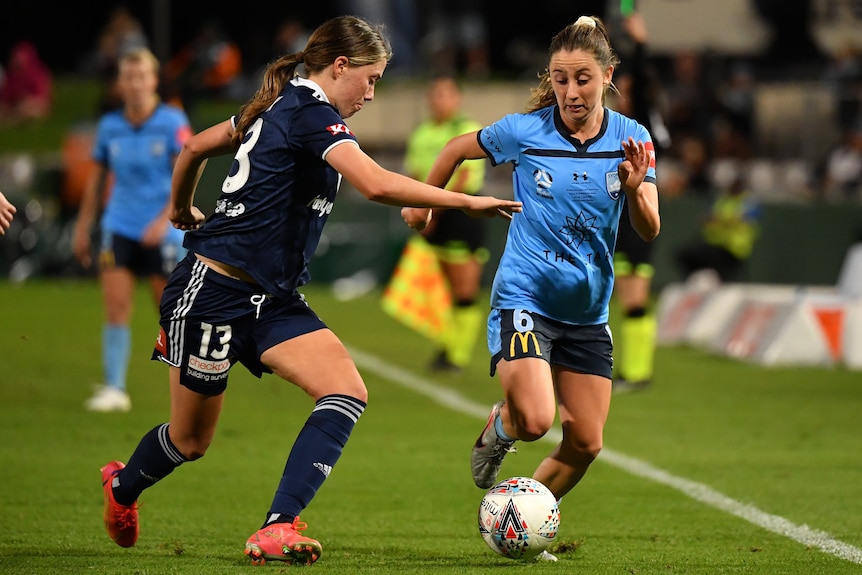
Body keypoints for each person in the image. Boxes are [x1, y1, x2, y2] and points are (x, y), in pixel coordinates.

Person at [97, 15, 520, 566]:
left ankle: (277, 525)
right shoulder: (308, 112)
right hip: (213, 292)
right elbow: (374, 182)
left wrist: (180, 207)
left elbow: (195, 148)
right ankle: (122, 488)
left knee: (346, 390)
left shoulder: (281, 107)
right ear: (340, 66)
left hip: (271, 299)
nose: (372, 92)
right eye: (369, 79)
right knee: (189, 441)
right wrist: (469, 201)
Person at [402, 13, 659, 538]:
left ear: (608, 75)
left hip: (587, 312)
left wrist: (634, 188)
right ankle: (502, 427)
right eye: (560, 79)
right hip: (526, 297)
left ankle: (517, 520)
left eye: (582, 79)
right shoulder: (525, 131)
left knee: (586, 443)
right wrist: (425, 206)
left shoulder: (632, 138)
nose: (570, 91)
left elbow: (650, 228)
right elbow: (454, 149)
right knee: (538, 420)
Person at [73, 48, 192, 412]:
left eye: (142, 76)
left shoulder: (173, 121)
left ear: (154, 81)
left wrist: (165, 219)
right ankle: (115, 388)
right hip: (119, 224)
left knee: (170, 312)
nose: (136, 83)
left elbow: (187, 171)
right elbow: (97, 180)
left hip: (163, 228)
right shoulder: (110, 126)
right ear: (120, 84)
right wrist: (82, 226)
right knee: (116, 308)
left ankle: (190, 387)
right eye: (129, 77)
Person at [403, 75, 488, 373]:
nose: (439, 100)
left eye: (445, 94)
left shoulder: (466, 130)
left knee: (464, 289)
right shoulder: (422, 132)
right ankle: (448, 345)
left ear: (457, 99)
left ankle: (457, 355)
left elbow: (465, 177)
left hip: (461, 213)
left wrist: (431, 209)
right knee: (440, 288)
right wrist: (419, 205)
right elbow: (414, 173)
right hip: (430, 212)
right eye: (435, 94)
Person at [607, 12, 670, 393]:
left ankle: (638, 372)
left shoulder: (642, 124)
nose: (621, 93)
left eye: (627, 87)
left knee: (634, 298)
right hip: (621, 215)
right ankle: (631, 370)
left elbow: (643, 88)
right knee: (626, 295)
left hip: (641, 212)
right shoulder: (621, 125)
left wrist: (641, 44)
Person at [676, 174, 759, 284]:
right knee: (685, 254)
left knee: (714, 259)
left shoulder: (749, 201)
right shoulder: (723, 199)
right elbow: (707, 218)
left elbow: (743, 219)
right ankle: (695, 283)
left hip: (734, 249)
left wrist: (720, 221)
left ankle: (719, 285)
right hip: (714, 243)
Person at [0, 41, 52, 123]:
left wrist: (26, 98)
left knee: (27, 108)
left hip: (31, 105)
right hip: (13, 106)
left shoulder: (37, 74)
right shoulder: (10, 76)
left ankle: (14, 121)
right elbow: (5, 98)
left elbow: (42, 98)